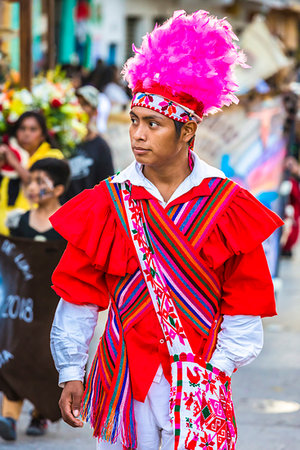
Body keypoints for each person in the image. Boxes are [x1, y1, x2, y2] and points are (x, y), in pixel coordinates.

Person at [50, 10, 283, 450]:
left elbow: (243, 310)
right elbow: (78, 299)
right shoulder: (108, 202)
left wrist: (214, 374)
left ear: (187, 130)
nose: (137, 134)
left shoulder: (226, 204)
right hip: (122, 384)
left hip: (198, 387)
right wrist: (71, 373)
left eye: (153, 124)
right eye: (135, 120)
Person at [0, 158, 70, 441]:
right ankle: (8, 416)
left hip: (55, 307)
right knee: (14, 354)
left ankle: (40, 414)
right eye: (31, 181)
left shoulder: (70, 223)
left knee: (46, 358)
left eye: (41, 182)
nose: (33, 187)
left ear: (58, 188)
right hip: (22, 305)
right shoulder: (16, 222)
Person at [0, 111, 64, 235]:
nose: (26, 134)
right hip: (5, 234)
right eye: (22, 129)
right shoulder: (9, 154)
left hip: (35, 230)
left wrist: (14, 162)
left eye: (33, 129)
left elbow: (36, 183)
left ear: (42, 135)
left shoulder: (53, 156)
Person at [62, 85, 114, 202]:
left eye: (85, 104)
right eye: (76, 103)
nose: (79, 108)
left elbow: (106, 188)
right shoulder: (61, 141)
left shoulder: (101, 147)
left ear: (95, 112)